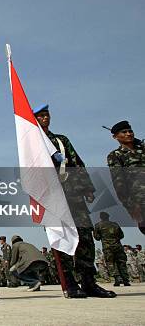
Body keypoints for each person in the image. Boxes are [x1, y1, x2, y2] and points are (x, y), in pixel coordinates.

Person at [33, 104, 115, 299]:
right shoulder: (32, 144)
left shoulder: (61, 141)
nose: (45, 118)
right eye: (41, 116)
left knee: (85, 236)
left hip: (73, 194)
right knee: (60, 237)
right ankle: (69, 282)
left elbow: (77, 163)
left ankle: (88, 281)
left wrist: (87, 188)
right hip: (52, 198)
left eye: (47, 115)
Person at [106, 120, 144, 233]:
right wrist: (130, 206)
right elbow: (119, 183)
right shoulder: (115, 155)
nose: (128, 134)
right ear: (115, 137)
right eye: (124, 132)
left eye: (130, 131)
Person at [93, 212, 130, 286]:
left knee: (110, 263)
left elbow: (97, 237)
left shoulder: (98, 225)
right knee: (121, 262)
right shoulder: (115, 224)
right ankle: (125, 280)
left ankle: (117, 278)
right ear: (108, 217)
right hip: (118, 246)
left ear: (100, 217)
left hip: (107, 248)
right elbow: (121, 235)